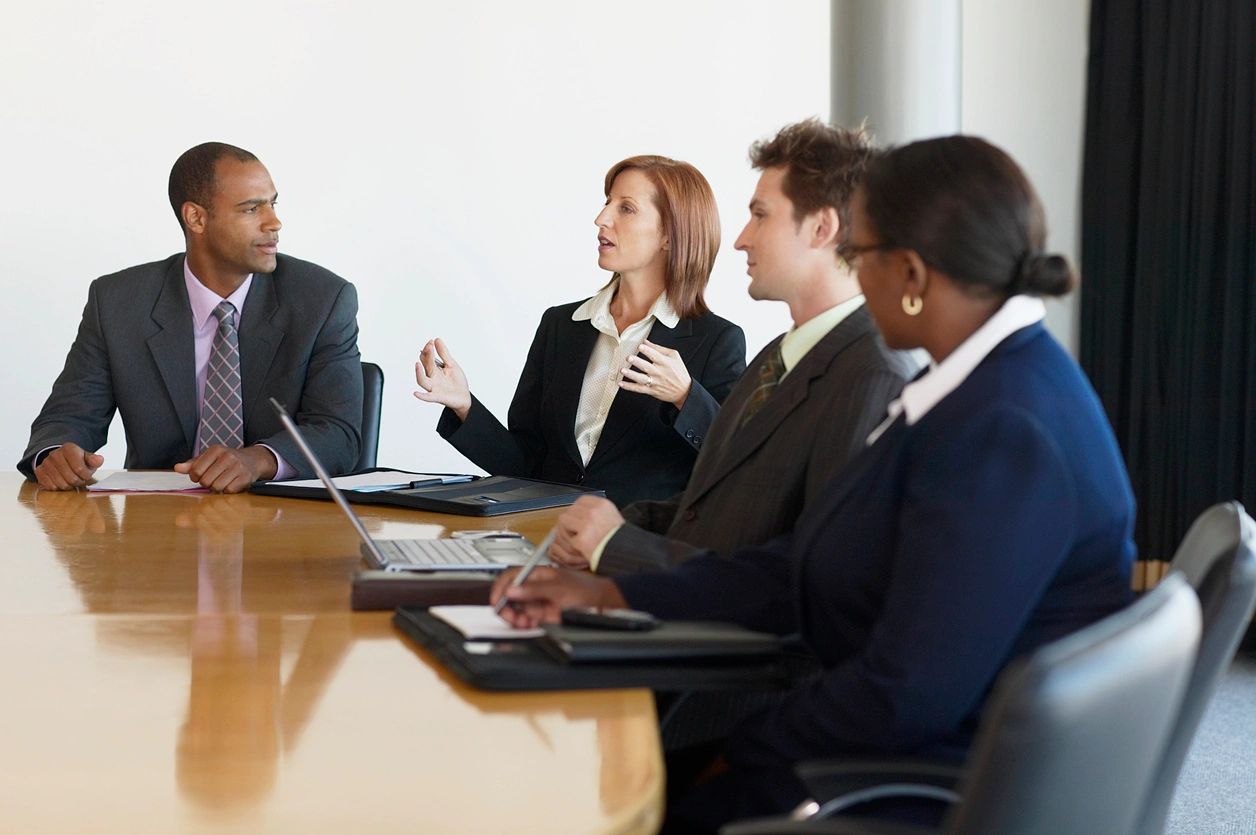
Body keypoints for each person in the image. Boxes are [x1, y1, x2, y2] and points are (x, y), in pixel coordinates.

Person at [490, 136, 1138, 832]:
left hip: (915, 786)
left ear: (912, 272)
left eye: (864, 253)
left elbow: (905, 691)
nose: (852, 271)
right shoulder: (975, 393)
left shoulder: (1005, 430)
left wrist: (738, 752)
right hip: (886, 753)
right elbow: (809, 565)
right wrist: (616, 587)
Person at [548, 120, 914, 575]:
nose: (741, 238)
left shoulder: (873, 376)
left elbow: (811, 575)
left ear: (822, 228)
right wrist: (609, 531)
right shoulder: (776, 358)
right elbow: (719, 507)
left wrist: (616, 550)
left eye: (760, 215)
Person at [18, 142, 363, 494]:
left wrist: (257, 460)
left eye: (272, 204)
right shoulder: (118, 302)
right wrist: (56, 454)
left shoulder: (322, 300)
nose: (274, 222)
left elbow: (339, 434)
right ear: (196, 218)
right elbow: (68, 416)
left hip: (281, 522)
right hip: (157, 526)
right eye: (251, 209)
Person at [413, 156, 745, 508]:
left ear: (669, 234)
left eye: (627, 208)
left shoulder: (717, 341)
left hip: (634, 549)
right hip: (543, 534)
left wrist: (685, 396)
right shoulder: (560, 326)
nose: (601, 219)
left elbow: (737, 463)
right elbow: (525, 466)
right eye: (607, 203)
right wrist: (464, 405)